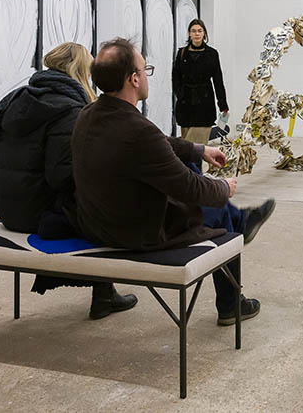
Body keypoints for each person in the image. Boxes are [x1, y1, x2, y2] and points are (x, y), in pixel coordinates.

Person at [72, 38, 261, 326]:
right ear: (134, 79)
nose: (147, 75)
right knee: (221, 215)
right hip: (136, 234)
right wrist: (224, 188)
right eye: (145, 69)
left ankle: (104, 296)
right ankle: (231, 303)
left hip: (97, 224)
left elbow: (158, 142)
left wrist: (199, 150)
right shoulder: (136, 130)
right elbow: (189, 188)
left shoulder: (88, 115)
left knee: (192, 167)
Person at [0, 42, 138, 319]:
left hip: (7, 207)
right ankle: (104, 295)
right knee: (103, 208)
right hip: (38, 215)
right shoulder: (70, 109)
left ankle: (105, 293)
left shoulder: (16, 99)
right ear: (81, 71)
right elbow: (61, 175)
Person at [173, 19, 228, 148]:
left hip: (204, 104)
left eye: (199, 31)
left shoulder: (212, 54)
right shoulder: (182, 53)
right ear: (189, 34)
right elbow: (176, 78)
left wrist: (223, 104)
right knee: (186, 147)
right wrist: (180, 94)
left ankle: (193, 168)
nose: (197, 34)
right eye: (193, 31)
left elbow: (218, 80)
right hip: (185, 105)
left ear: (204, 33)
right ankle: (190, 169)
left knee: (196, 147)